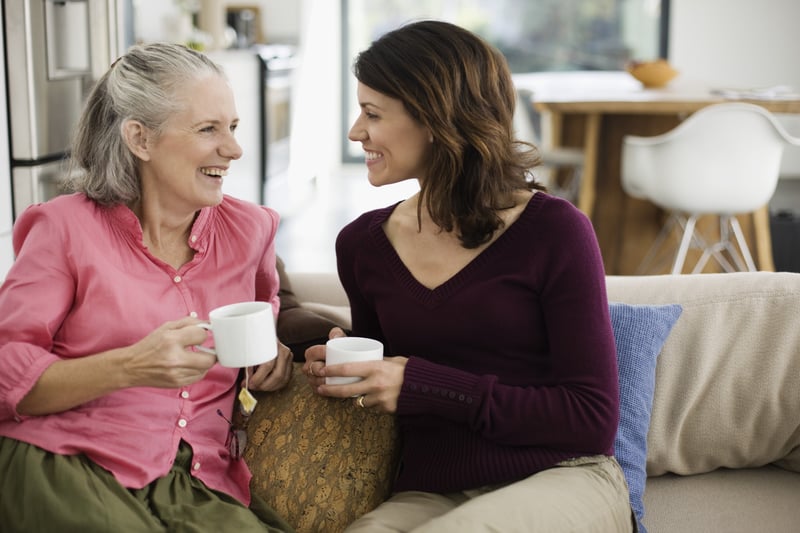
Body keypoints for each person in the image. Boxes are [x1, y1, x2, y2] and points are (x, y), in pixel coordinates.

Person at [303, 20, 635, 532]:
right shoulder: (362, 245)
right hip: (429, 490)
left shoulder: (555, 232)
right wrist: (330, 356)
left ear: (436, 119)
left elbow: (591, 419)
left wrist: (422, 384)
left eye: (372, 113)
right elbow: (385, 377)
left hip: (561, 476)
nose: (355, 131)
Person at [0, 42, 295, 532]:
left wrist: (274, 358)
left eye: (233, 128)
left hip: (197, 480)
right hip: (66, 461)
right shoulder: (63, 228)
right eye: (208, 129)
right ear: (140, 139)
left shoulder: (251, 231)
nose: (234, 148)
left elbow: (264, 324)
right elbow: (6, 366)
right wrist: (130, 365)